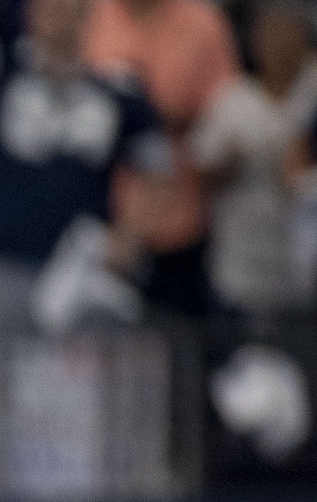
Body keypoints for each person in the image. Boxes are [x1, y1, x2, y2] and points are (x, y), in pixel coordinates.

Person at [0, 0, 175, 340]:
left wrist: (128, 237)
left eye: (73, 10)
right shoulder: (3, 74)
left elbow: (159, 169)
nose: (63, 22)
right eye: (53, 10)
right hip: (5, 261)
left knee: (73, 387)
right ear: (33, 15)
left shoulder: (116, 89)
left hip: (77, 272)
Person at [80, 0, 242, 318]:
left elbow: (228, 116)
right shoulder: (92, 15)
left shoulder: (204, 24)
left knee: (179, 345)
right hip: (99, 228)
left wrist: (164, 116)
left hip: (179, 224)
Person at [187, 1, 317, 321]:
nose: (279, 45)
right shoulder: (233, 101)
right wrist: (234, 162)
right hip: (241, 271)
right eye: (270, 35)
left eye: (289, 34)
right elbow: (200, 174)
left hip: (305, 277)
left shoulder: (312, 95)